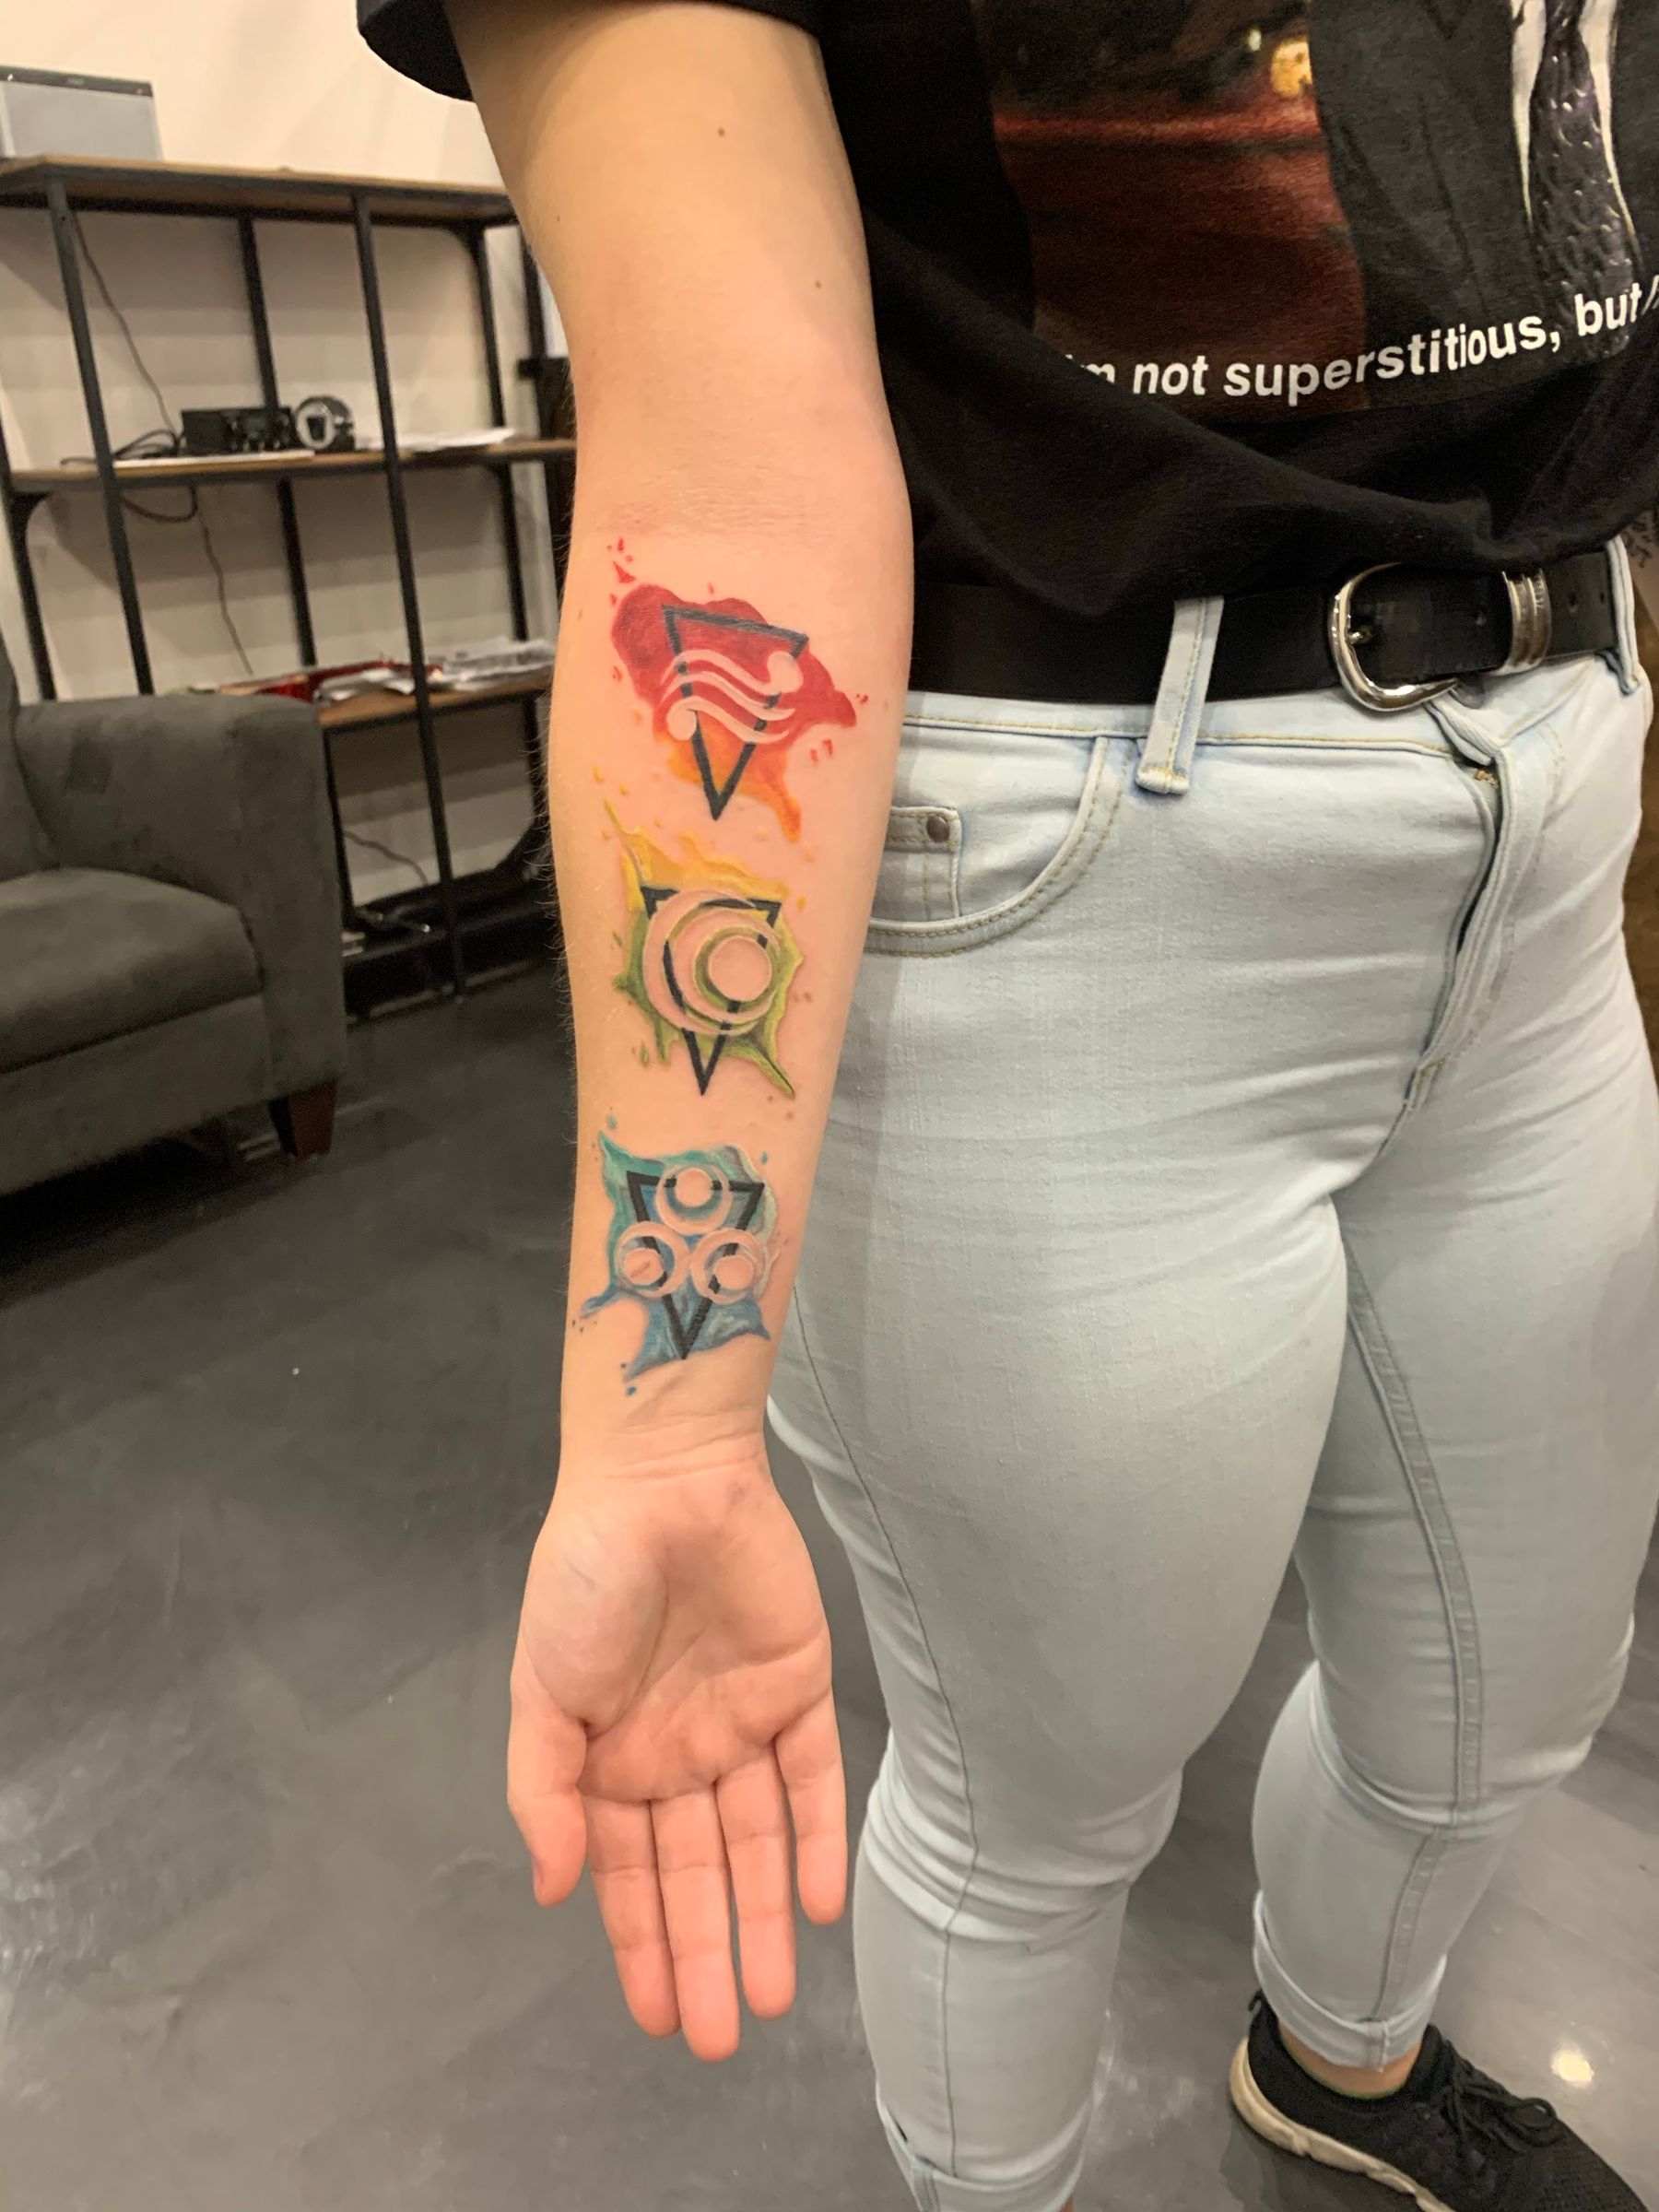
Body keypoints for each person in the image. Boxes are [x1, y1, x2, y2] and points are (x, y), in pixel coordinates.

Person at [359, 3, 1659, 2207]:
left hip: (1549, 803)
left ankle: (1342, 2064)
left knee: (1508, 1699)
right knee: (1041, 1799)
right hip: (1072, 855)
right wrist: (664, 1422)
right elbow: (726, 506)